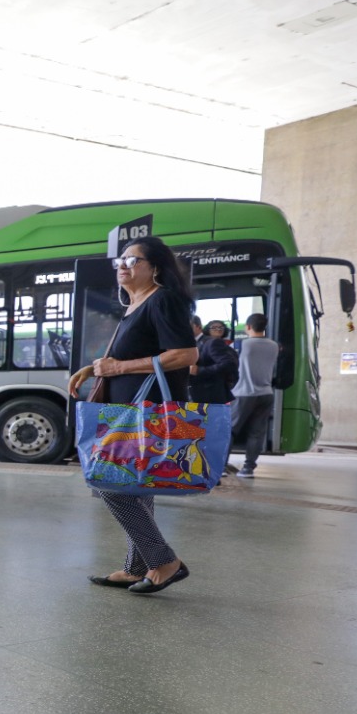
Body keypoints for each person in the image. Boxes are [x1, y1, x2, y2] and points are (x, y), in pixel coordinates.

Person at [67, 236, 199, 596]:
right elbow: (131, 357)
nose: (122, 267)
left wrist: (119, 366)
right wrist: (93, 369)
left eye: (132, 260)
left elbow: (185, 354)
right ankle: (136, 566)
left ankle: (163, 561)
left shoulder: (163, 300)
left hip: (147, 412)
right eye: (120, 261)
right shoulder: (135, 303)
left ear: (155, 267)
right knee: (136, 487)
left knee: (111, 483)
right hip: (129, 411)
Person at [231, 312, 279, 477]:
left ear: (248, 327)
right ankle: (248, 468)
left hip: (244, 393)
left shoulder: (241, 344)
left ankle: (220, 467)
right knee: (257, 432)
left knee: (230, 430)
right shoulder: (274, 345)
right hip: (266, 393)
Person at [189, 319, 238, 404]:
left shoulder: (212, 342)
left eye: (220, 327)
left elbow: (229, 364)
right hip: (197, 395)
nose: (218, 330)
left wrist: (199, 370)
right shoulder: (194, 343)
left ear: (198, 327)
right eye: (214, 328)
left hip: (211, 396)